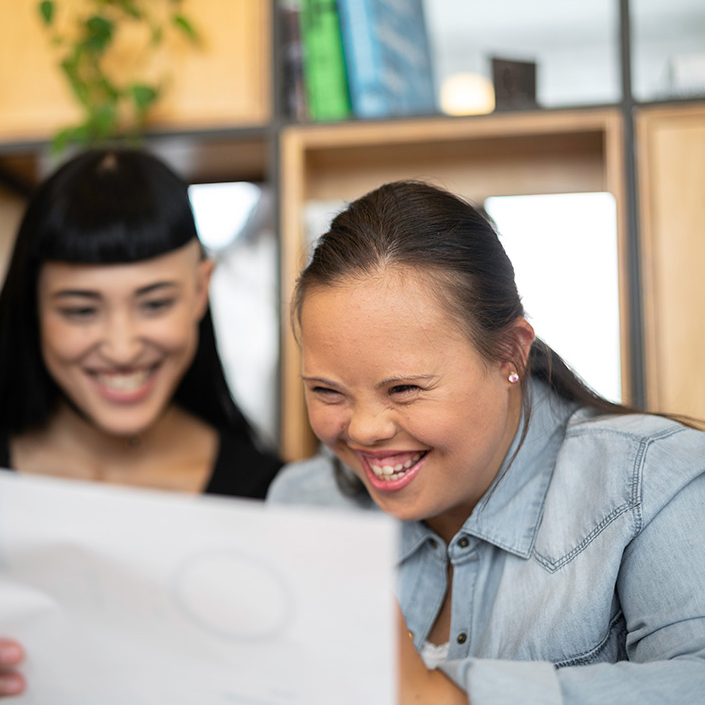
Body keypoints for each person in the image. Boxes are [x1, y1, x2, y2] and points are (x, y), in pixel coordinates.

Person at [268, 180, 705, 704]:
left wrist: (444, 696)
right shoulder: (302, 504)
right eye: (326, 391)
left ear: (509, 355)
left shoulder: (651, 484)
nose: (363, 429)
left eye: (404, 389)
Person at [0, 147, 284, 697]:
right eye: (80, 310)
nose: (123, 347)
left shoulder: (272, 498)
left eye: (154, 303)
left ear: (201, 289)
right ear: (33, 306)